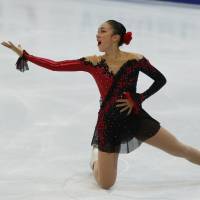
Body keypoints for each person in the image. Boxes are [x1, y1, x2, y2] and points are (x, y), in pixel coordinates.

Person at [1, 19, 200, 190]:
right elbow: (56, 65)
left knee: (181, 150)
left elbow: (160, 79)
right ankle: (95, 155)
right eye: (97, 31)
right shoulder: (93, 62)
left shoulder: (136, 60)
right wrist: (25, 55)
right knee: (106, 184)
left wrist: (138, 98)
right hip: (109, 124)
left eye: (102, 31)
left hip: (136, 119)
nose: (97, 35)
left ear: (115, 37)